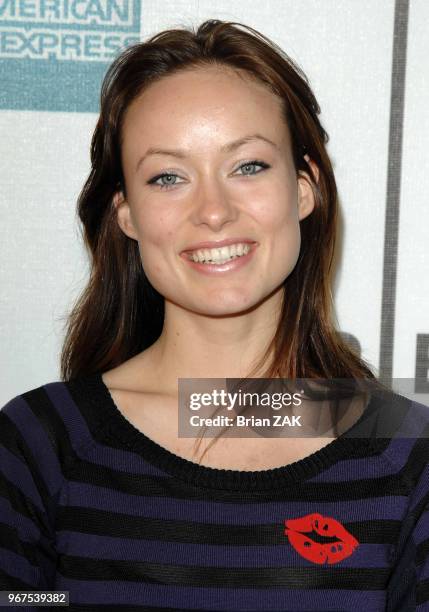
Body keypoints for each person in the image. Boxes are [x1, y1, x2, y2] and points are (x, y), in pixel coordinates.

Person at [1, 19, 428, 611]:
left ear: (305, 187)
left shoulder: (408, 457)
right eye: (168, 177)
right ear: (126, 214)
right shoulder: (40, 445)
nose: (213, 212)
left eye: (248, 166)